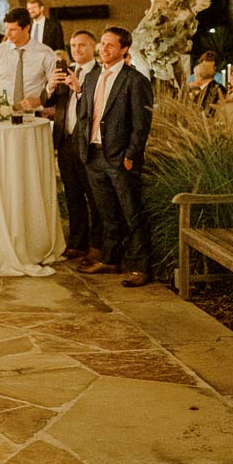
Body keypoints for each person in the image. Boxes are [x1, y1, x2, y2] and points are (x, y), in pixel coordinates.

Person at [77, 27, 155, 287]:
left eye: (110, 45)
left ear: (124, 50)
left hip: (120, 157)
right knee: (107, 212)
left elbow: (141, 123)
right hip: (94, 154)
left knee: (132, 212)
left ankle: (140, 267)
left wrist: (131, 155)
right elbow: (86, 114)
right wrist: (83, 149)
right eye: (102, 43)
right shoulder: (92, 77)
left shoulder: (135, 80)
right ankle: (111, 259)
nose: (104, 49)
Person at [47, 31, 103, 263]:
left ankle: (97, 244)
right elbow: (46, 102)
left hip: (88, 142)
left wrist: (80, 90)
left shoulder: (99, 74)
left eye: (82, 46)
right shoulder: (66, 71)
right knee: (72, 194)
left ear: (93, 47)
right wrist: (50, 86)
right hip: (66, 140)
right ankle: (77, 242)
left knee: (94, 196)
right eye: (73, 46)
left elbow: (97, 106)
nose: (77, 50)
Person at [0, 8, 55, 111]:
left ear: (26, 28)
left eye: (13, 30)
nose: (7, 34)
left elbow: (55, 87)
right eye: (6, 28)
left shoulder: (45, 54)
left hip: (35, 115)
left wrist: (38, 101)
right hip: (4, 116)